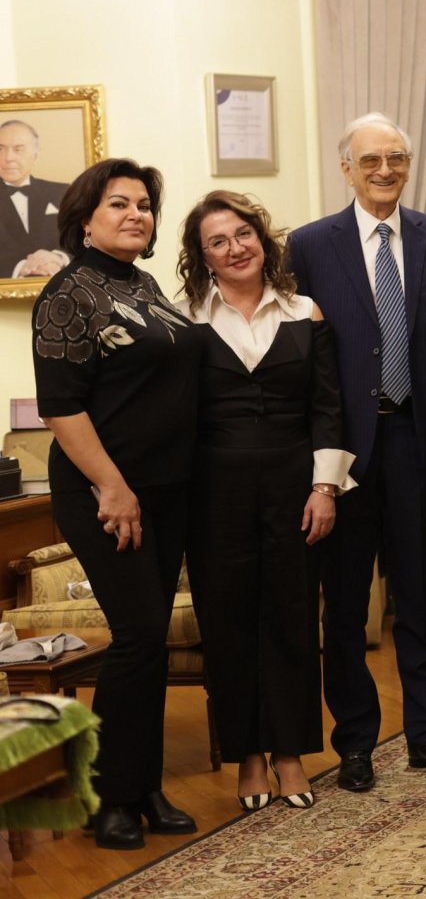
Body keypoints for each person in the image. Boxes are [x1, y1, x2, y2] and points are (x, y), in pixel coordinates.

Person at [287, 113, 426, 793]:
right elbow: (298, 351)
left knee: (419, 598)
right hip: (340, 450)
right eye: (370, 160)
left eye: (396, 158)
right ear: (346, 168)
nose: (384, 171)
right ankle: (356, 745)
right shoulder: (309, 245)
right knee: (345, 605)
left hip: (416, 441)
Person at [31, 158, 203, 849]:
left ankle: (144, 787)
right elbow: (60, 408)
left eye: (144, 205)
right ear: (85, 219)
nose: (136, 215)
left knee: (150, 642)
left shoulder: (142, 284)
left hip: (164, 492)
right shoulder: (68, 292)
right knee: (137, 636)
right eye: (119, 204)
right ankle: (106, 798)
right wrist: (112, 486)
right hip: (105, 493)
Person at [179, 191, 351, 812]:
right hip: (213, 495)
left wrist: (325, 488)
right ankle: (248, 756)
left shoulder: (305, 311)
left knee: (292, 619)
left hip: (294, 489)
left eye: (243, 234)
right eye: (218, 241)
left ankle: (289, 755)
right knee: (228, 625)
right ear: (203, 257)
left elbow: (327, 408)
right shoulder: (184, 320)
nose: (235, 248)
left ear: (262, 238)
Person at [0, 118, 70, 277]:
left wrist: (58, 257)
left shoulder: (63, 192)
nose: (8, 157)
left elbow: (86, 240)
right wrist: (21, 267)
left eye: (18, 149)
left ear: (35, 155)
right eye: (0, 149)